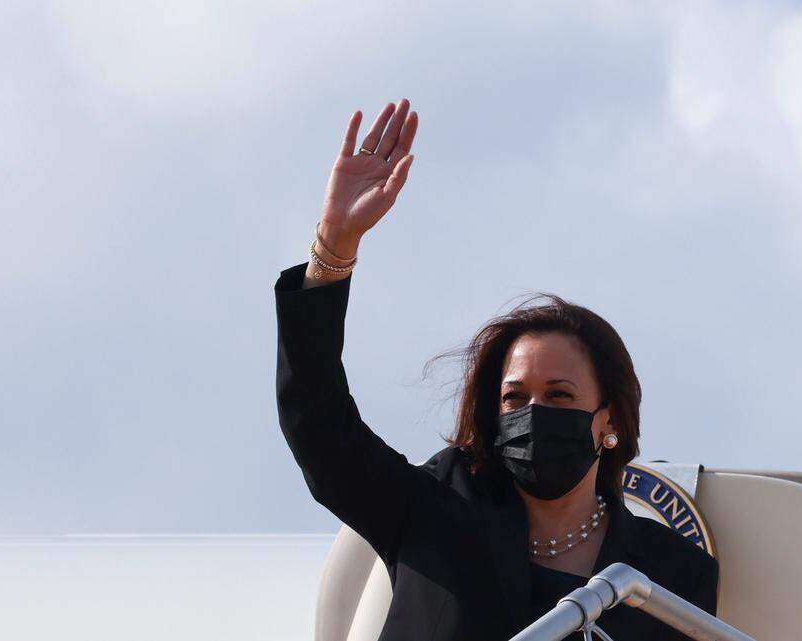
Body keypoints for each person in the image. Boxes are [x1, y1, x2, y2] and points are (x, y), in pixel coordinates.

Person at [274, 97, 719, 641]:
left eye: (558, 395)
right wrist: (335, 248)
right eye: (515, 398)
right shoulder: (435, 510)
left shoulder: (669, 575)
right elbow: (319, 426)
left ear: (610, 422)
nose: (533, 414)